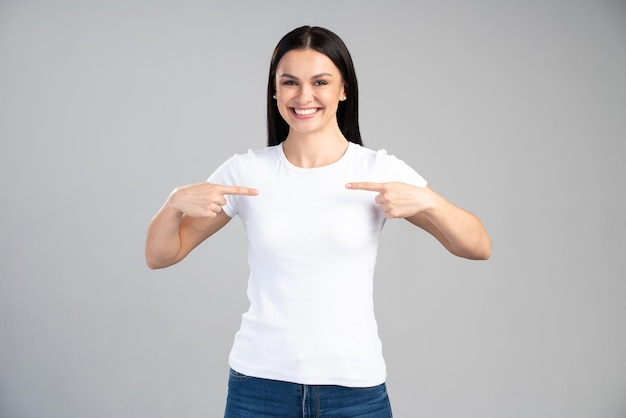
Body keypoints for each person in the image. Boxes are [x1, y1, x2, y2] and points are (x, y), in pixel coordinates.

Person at [145, 25, 491, 418]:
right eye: (289, 82)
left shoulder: (377, 170)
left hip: (354, 390)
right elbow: (160, 255)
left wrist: (429, 202)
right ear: (275, 91)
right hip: (259, 388)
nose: (304, 96)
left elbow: (478, 246)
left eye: (320, 82)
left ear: (344, 89)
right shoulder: (245, 172)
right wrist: (173, 203)